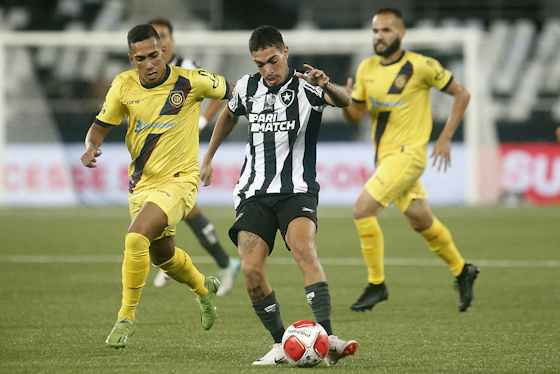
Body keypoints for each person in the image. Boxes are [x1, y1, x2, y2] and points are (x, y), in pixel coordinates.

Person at [201, 25, 358, 366]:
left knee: (304, 249)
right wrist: (208, 158)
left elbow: (347, 103)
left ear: (285, 51)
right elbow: (228, 114)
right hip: (253, 193)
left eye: (272, 61)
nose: (267, 70)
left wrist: (326, 84)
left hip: (296, 190)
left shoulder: (307, 85)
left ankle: (328, 338)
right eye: (260, 64)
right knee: (251, 272)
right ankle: (279, 344)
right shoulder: (246, 87)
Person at [80, 24, 232, 348]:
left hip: (180, 180)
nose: (149, 63)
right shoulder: (123, 85)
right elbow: (99, 126)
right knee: (164, 256)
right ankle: (204, 288)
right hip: (142, 183)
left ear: (163, 50)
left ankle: (126, 317)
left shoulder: (191, 82)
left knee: (135, 237)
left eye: (154, 55)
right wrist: (91, 146)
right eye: (141, 58)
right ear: (131, 58)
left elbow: (233, 92)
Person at [342, 8, 479, 313]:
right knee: (421, 220)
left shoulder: (421, 66)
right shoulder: (366, 68)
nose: (379, 36)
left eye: (386, 30)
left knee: (362, 209)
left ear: (401, 33)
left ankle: (376, 284)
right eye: (375, 31)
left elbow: (462, 94)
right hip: (385, 158)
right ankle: (462, 269)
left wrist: (444, 138)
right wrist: (345, 100)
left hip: (409, 155)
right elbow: (355, 115)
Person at [148, 17, 240, 296]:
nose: (159, 42)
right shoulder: (148, 71)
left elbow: (223, 92)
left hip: (181, 151)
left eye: (163, 36)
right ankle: (222, 263)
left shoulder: (186, 68)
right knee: (184, 209)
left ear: (172, 40)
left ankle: (170, 261)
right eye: (154, 37)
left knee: (167, 203)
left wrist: (202, 122)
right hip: (157, 152)